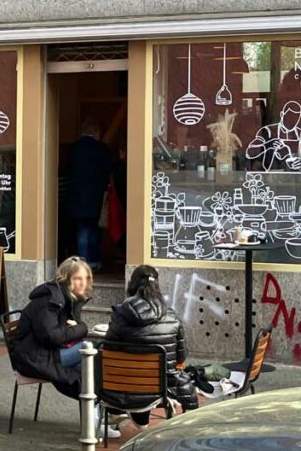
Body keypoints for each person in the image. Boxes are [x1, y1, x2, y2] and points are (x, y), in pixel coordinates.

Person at [103, 265, 194, 427]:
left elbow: (109, 349)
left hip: (117, 388)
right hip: (157, 389)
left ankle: (119, 414)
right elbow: (181, 357)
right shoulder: (171, 317)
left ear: (132, 285)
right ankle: (142, 419)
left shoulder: (119, 315)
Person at [11, 256, 92, 400]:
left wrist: (77, 325)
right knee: (90, 352)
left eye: (86, 278)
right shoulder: (50, 300)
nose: (83, 283)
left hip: (46, 352)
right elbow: (51, 337)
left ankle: (91, 402)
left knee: (88, 362)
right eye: (78, 278)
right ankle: (92, 402)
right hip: (33, 357)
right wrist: (82, 328)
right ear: (66, 279)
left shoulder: (67, 298)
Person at [67, 121, 112, 269]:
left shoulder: (73, 149)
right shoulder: (102, 149)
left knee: (82, 230)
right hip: (96, 196)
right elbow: (107, 171)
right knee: (94, 230)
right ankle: (93, 261)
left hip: (75, 196)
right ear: (96, 133)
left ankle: (84, 264)